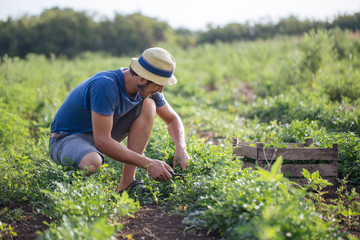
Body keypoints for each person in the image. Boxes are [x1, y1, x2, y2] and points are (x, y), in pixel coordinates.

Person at [49, 47, 190, 193]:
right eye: (158, 84)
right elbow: (102, 142)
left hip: (99, 136)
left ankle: (127, 184)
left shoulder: (146, 88)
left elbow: (172, 119)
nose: (160, 90)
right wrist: (148, 164)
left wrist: (181, 147)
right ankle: (70, 189)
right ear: (142, 78)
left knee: (149, 104)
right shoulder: (105, 85)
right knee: (92, 162)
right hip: (66, 139)